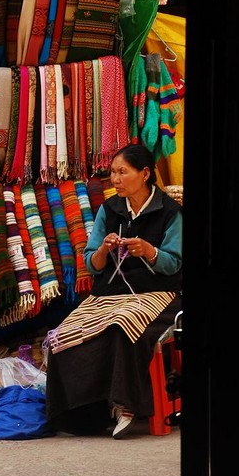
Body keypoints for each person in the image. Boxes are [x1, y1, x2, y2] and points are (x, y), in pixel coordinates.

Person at [44, 143, 182, 438]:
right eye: (113, 173)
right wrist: (105, 250)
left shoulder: (170, 212)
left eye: (122, 172)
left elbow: (174, 264)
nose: (116, 179)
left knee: (123, 324)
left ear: (145, 173)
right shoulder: (110, 209)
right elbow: (92, 264)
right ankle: (81, 414)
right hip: (109, 292)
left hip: (159, 293)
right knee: (64, 333)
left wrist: (148, 251)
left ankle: (125, 405)